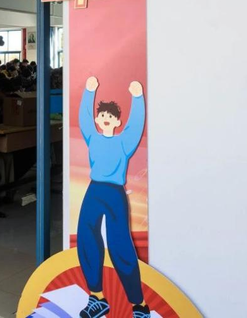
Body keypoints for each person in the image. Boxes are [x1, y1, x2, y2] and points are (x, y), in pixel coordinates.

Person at [77, 76, 149, 318]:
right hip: (94, 190)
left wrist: (137, 98)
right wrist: (89, 93)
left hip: (115, 192)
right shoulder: (93, 137)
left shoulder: (123, 143)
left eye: (110, 116)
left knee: (120, 243)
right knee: (87, 237)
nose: (105, 118)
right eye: (102, 115)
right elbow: (84, 120)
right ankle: (97, 297)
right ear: (98, 120)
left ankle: (139, 305)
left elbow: (135, 127)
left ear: (118, 121)